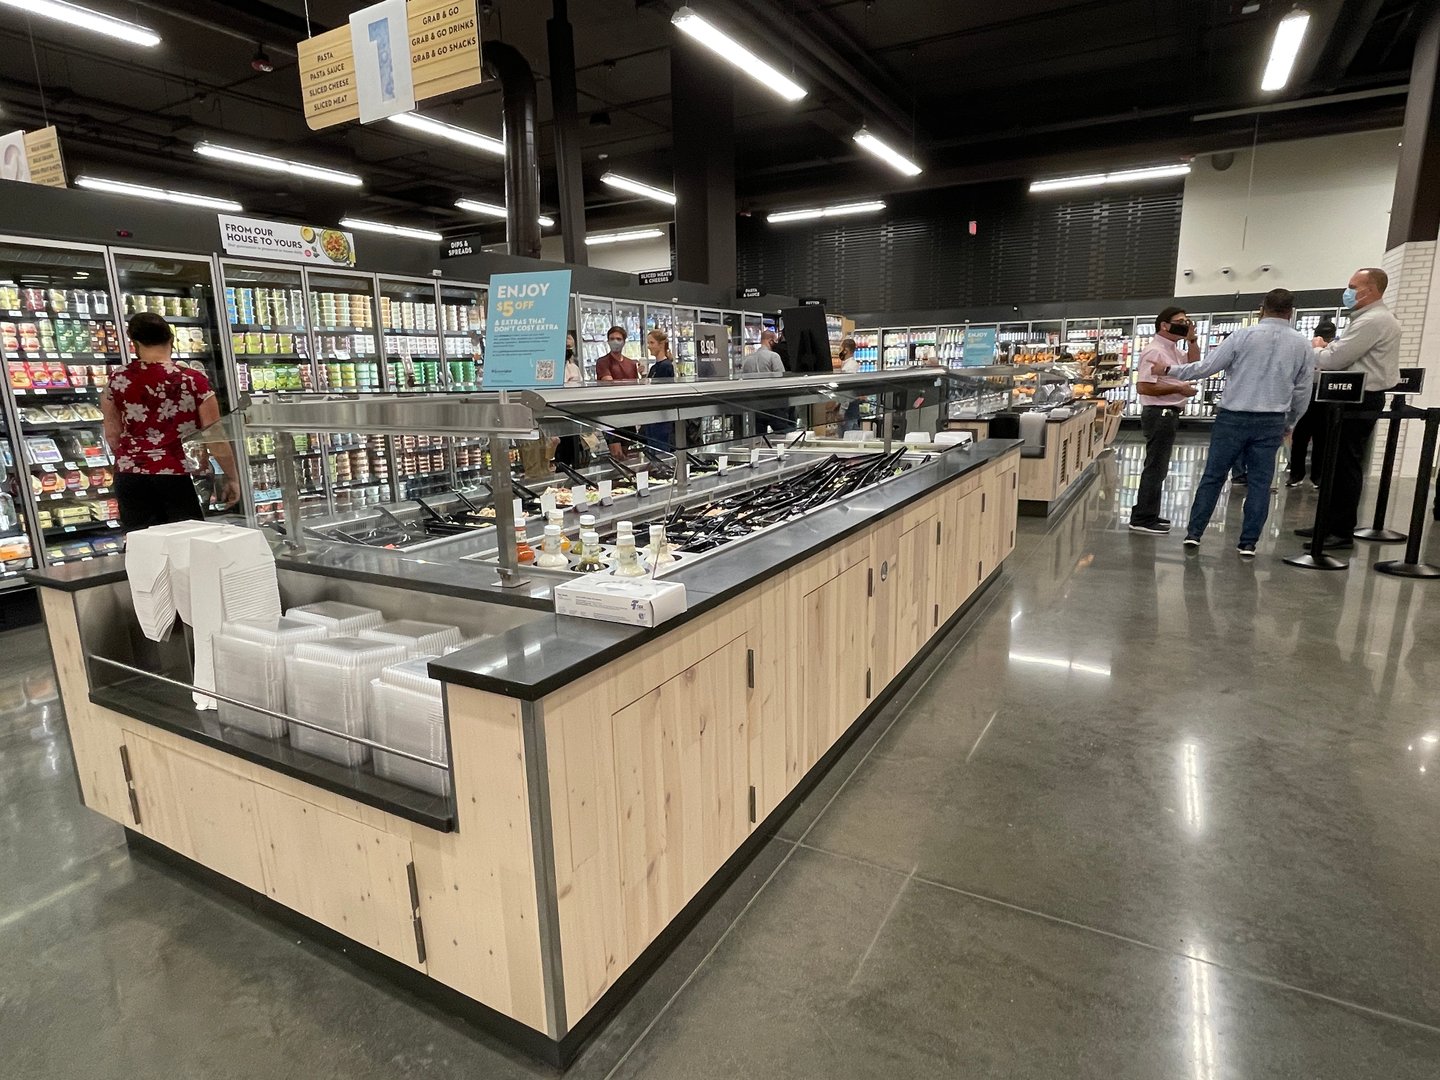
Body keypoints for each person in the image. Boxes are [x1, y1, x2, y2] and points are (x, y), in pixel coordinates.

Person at [1159, 288, 1313, 557]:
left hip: (1233, 417)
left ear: (1263, 307)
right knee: (1260, 483)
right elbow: (1302, 391)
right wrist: (1291, 421)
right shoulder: (1302, 344)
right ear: (1291, 311)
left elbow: (1207, 367)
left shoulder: (1242, 336)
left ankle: (1194, 534)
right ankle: (1248, 543)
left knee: (1213, 477)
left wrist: (1170, 370)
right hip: (1271, 420)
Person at [104, 312, 240, 531]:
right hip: (181, 473)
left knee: (144, 545)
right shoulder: (194, 381)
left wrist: (134, 459)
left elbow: (112, 434)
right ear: (171, 339)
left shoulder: (118, 379)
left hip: (131, 475)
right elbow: (215, 437)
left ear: (135, 342)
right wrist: (233, 477)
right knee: (186, 545)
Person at [1299, 268, 1402, 548]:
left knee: (1345, 464)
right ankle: (1327, 523)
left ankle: (1340, 530)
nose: (1348, 292)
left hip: (1359, 398)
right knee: (1335, 461)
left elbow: (1337, 359)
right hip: (1347, 396)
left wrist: (1315, 349)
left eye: (1352, 286)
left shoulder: (1373, 320)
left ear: (1370, 290)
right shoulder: (1368, 318)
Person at [1127, 307, 1199, 535]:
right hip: (1159, 413)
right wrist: (1180, 388)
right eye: (1180, 321)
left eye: (1186, 321)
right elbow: (1144, 386)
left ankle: (1149, 512)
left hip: (1167, 413)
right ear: (1164, 325)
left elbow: (1193, 367)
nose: (1184, 324)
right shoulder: (1154, 351)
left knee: (1159, 466)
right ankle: (1142, 518)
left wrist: (1193, 340)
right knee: (1155, 466)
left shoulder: (1174, 351)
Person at [1285, 319, 1336, 488]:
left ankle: (1318, 476)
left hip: (1326, 396)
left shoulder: (1336, 350)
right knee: (1300, 438)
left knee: (1322, 439)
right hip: (1307, 395)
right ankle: (1296, 474)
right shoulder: (1307, 348)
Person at [595, 325, 640, 457]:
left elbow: (635, 386)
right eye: (612, 338)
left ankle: (625, 478)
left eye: (618, 339)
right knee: (617, 454)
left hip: (627, 413)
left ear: (624, 341)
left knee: (626, 452)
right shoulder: (603, 362)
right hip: (610, 414)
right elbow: (608, 383)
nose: (615, 341)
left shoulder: (631, 364)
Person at [641, 329, 675, 452]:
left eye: (651, 343)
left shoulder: (666, 366)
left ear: (661, 344)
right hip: (653, 418)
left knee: (661, 453)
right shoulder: (654, 367)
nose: (649, 346)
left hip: (661, 420)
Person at [837, 336, 863, 435]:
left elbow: (847, 392)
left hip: (849, 410)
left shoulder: (849, 368)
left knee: (847, 437)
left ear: (846, 350)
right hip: (853, 408)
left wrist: (841, 412)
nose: (840, 351)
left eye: (841, 349)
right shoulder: (854, 365)